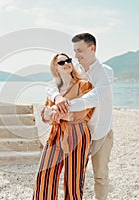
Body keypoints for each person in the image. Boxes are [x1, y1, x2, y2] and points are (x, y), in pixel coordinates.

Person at [47, 33, 114, 200]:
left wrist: (62, 108)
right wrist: (57, 97)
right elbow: (52, 84)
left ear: (92, 48)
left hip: (100, 132)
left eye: (80, 51)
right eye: (74, 51)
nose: (76, 56)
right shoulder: (77, 69)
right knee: (76, 175)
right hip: (79, 132)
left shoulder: (105, 72)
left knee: (100, 175)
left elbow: (93, 99)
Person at [32, 53, 94, 200]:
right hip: (56, 133)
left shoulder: (84, 85)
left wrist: (57, 113)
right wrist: (55, 113)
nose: (66, 63)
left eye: (68, 60)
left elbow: (84, 113)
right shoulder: (53, 91)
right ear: (55, 68)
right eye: (61, 63)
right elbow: (44, 116)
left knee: (73, 180)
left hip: (78, 133)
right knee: (44, 175)